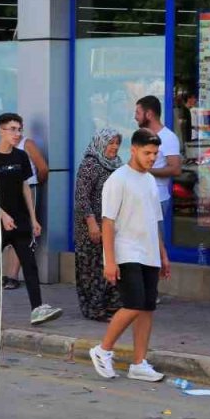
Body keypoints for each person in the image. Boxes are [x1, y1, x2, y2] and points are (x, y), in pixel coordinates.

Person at [88, 128, 170, 382]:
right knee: (133, 303)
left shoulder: (149, 181)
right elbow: (108, 222)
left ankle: (139, 363)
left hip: (150, 253)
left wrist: (163, 255)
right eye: (147, 153)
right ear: (133, 150)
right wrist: (109, 261)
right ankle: (102, 350)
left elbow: (154, 221)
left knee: (147, 308)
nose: (151, 158)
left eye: (155, 154)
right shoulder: (118, 179)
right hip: (126, 251)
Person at [0, 113, 64, 326]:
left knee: (29, 264)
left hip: (20, 221)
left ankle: (38, 308)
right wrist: (2, 214)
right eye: (12, 129)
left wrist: (33, 218)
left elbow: (25, 186)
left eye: (19, 129)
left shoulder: (21, 157)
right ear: (0, 130)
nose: (17, 134)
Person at [73, 128, 124, 321]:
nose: (114, 147)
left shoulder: (117, 165)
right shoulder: (90, 164)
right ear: (101, 143)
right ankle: (95, 309)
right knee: (92, 269)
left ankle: (112, 306)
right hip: (90, 227)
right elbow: (82, 197)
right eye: (110, 143)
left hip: (110, 226)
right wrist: (92, 224)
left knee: (111, 265)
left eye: (117, 143)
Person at [3, 131, 49, 290]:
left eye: (17, 128)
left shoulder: (27, 144)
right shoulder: (5, 147)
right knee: (11, 229)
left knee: (23, 231)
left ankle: (13, 276)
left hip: (29, 189)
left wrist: (35, 183)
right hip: (10, 191)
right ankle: (9, 275)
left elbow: (43, 168)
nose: (14, 133)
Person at [134, 95, 181, 223]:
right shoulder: (143, 136)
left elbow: (175, 169)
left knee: (154, 241)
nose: (135, 117)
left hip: (156, 198)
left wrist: (146, 170)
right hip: (140, 196)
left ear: (149, 114)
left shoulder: (168, 137)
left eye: (138, 112)